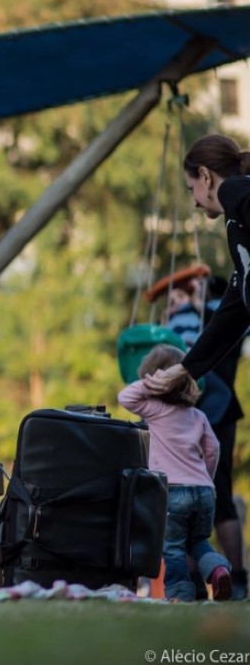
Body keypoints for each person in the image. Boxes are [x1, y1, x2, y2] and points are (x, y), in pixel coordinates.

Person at [146, 133, 250, 598]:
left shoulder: (237, 197)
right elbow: (234, 309)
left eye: (192, 189)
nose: (193, 201)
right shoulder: (234, 224)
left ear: (205, 177)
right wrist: (187, 367)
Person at [119, 344, 231, 601]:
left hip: (172, 492)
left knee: (173, 550)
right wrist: (208, 481)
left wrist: (150, 384)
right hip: (204, 491)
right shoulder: (197, 415)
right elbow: (213, 449)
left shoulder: (154, 410)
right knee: (199, 542)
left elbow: (125, 397)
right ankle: (218, 570)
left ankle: (180, 594)